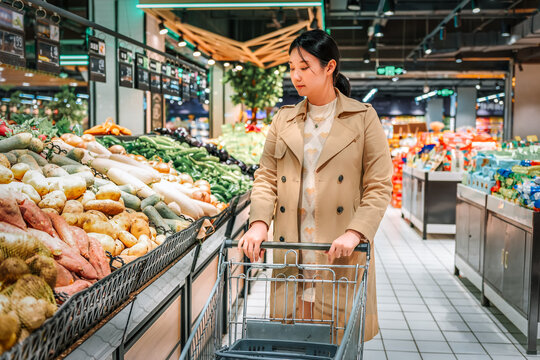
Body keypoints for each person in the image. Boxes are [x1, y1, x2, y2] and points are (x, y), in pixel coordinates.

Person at [238, 29, 392, 342]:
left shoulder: (363, 118)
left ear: (330, 67)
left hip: (338, 247)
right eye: (292, 67)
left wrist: (355, 232)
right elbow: (266, 176)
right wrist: (257, 224)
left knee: (335, 339)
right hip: (291, 245)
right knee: (292, 338)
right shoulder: (284, 120)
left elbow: (379, 185)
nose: (296, 75)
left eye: (304, 67)